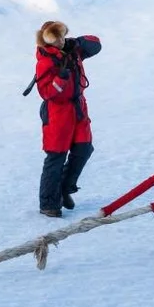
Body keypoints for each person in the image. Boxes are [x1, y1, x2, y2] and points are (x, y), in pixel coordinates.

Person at [34, 21, 102, 218]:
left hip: (78, 109)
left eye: (63, 37)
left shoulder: (73, 50)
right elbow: (47, 93)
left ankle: (64, 187)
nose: (61, 42)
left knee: (84, 148)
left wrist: (78, 42)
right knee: (56, 157)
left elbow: (96, 45)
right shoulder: (45, 62)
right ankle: (48, 203)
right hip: (58, 114)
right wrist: (61, 79)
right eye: (57, 39)